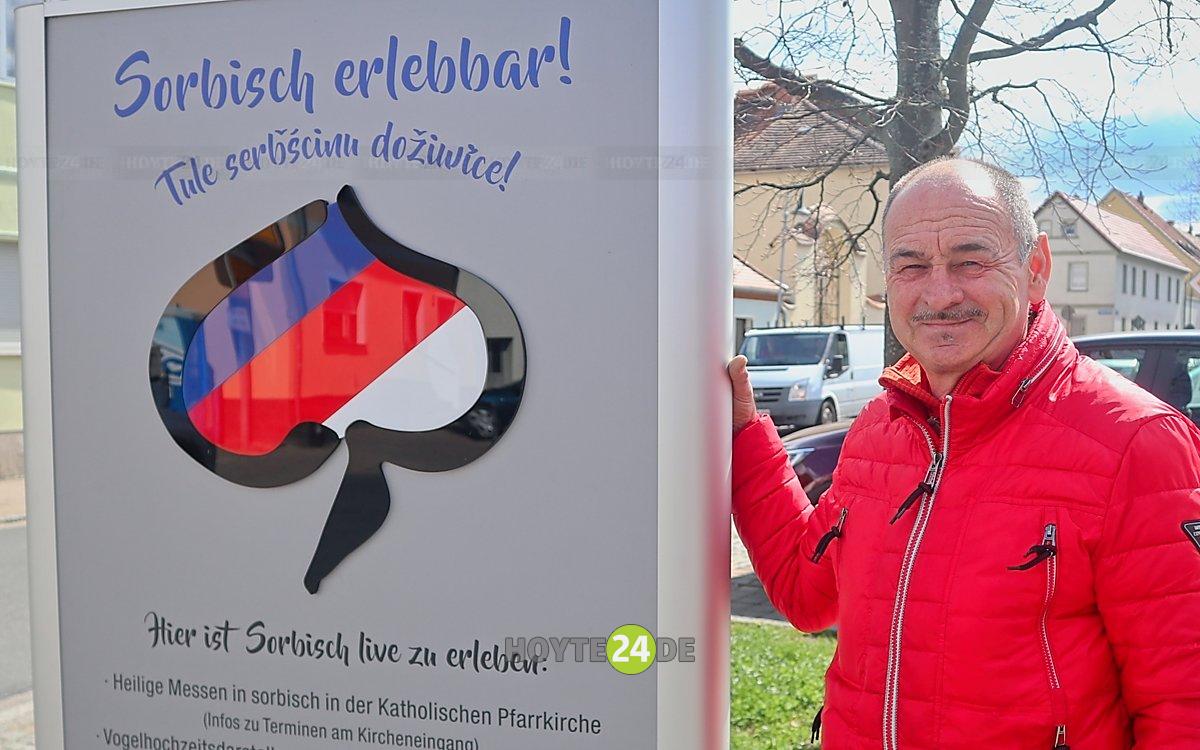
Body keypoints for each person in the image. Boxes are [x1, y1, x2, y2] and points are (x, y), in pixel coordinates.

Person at [728, 158, 1200, 749]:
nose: (940, 291)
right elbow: (806, 592)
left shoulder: (1138, 443)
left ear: (1036, 269)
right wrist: (743, 435)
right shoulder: (881, 429)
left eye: (970, 260)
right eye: (912, 265)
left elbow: (1184, 708)